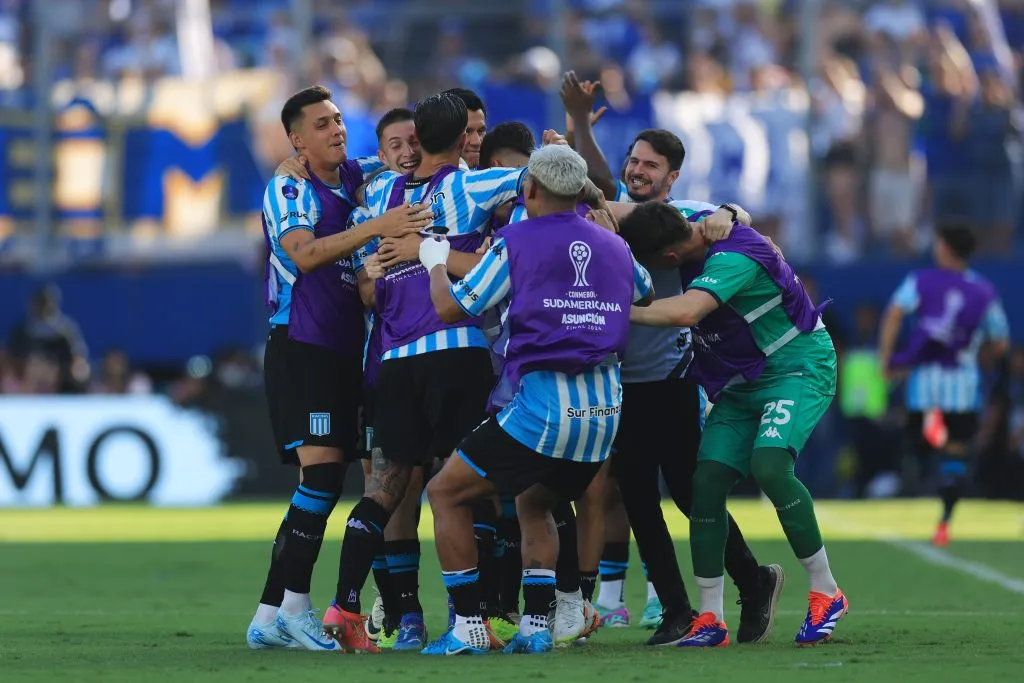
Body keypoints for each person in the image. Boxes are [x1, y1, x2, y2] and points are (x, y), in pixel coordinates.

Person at [416, 144, 654, 656]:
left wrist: (435, 261)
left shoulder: (514, 241)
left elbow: (449, 307)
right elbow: (645, 292)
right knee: (535, 500)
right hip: (604, 415)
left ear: (531, 191)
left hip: (545, 408)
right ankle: (536, 626)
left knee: (444, 493)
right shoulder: (615, 247)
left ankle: (469, 627)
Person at [323, 93, 529, 653]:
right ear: (464, 134)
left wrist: (375, 270)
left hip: (394, 362)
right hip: (457, 349)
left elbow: (366, 284)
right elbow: (544, 179)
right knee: (467, 486)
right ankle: (480, 615)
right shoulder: (470, 185)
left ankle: (348, 604)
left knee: (386, 489)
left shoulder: (379, 202)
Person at [247, 86, 431, 652]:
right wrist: (378, 228)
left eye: (339, 120)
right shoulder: (286, 187)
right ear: (297, 140)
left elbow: (403, 154)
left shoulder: (353, 175)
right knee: (323, 479)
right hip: (303, 345)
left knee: (321, 484)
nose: (337, 129)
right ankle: (298, 609)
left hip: (341, 351)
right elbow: (302, 254)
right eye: (322, 124)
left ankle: (268, 615)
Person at [628, 201, 846, 647]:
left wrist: (616, 311)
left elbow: (688, 312)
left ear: (668, 258)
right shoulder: (691, 227)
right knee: (704, 482)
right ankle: (710, 617)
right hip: (742, 380)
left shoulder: (731, 256)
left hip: (796, 364)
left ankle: (827, 591)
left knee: (769, 466)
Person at [878, 223, 1009, 546]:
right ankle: (945, 519)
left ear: (946, 247)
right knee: (957, 452)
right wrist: (982, 357)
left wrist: (886, 359)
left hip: (924, 385)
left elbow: (894, 314)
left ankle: (925, 456)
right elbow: (1001, 341)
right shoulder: (983, 290)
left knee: (918, 447)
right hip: (962, 387)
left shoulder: (921, 280)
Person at [441, 87, 487, 169]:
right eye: (467, 131)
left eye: (481, 131)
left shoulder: (498, 176)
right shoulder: (418, 179)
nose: (476, 142)